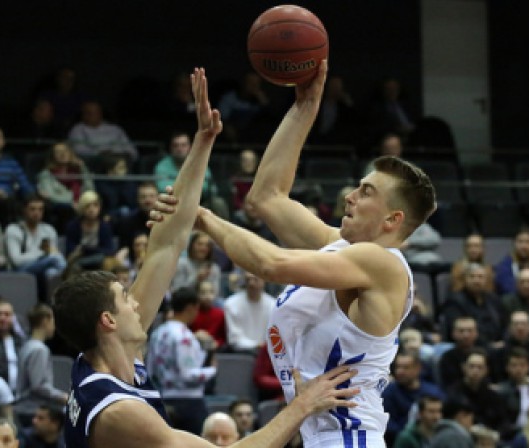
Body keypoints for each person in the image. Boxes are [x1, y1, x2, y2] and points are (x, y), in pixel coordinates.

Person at [53, 68, 359, 448]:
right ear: (108, 320)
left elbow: (166, 244)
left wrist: (203, 141)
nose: (138, 302)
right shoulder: (117, 410)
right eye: (125, 298)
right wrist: (302, 405)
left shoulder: (110, 361)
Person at [154, 60, 437, 448]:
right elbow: (266, 198)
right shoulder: (341, 248)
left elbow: (271, 264)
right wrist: (304, 107)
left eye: (366, 192)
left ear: (393, 218)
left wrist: (201, 216)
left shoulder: (382, 264)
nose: (350, 196)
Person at [146, 287, 216, 435]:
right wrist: (212, 370)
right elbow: (188, 375)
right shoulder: (184, 336)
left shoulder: (157, 333)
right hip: (188, 402)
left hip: (164, 399)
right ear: (191, 308)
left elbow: (150, 370)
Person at [14, 304, 67, 427]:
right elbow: (38, 386)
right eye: (53, 320)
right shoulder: (39, 349)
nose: (54, 326)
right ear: (45, 321)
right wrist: (63, 397)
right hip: (32, 411)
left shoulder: (26, 346)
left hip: (25, 409)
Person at [154, 131, 228, 219]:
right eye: (176, 145)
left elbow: (206, 186)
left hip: (199, 202)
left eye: (183, 145)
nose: (179, 148)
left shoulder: (199, 162)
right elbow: (162, 187)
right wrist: (191, 186)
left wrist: (181, 188)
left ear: (189, 147)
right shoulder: (162, 166)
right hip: (172, 204)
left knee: (218, 203)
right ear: (171, 148)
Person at [4, 195, 66, 295]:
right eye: (32, 209)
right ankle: (69, 277)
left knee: (52, 272)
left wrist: (46, 255)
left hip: (43, 268)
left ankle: (53, 303)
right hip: (20, 270)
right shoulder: (14, 229)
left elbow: (52, 253)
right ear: (24, 210)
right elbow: (16, 261)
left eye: (40, 209)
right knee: (56, 259)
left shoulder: (48, 230)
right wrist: (42, 253)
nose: (37, 213)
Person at [382, 351, 444, 444]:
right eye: (397, 367)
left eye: (405, 367)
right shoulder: (388, 393)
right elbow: (386, 424)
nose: (399, 371)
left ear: (418, 368)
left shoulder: (433, 392)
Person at [35, 141, 94, 232]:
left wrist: (83, 168)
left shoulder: (78, 171)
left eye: (65, 151)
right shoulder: (46, 174)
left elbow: (90, 189)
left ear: (71, 153)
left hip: (80, 205)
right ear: (52, 156)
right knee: (67, 209)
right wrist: (72, 203)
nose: (63, 154)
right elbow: (50, 196)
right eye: (58, 152)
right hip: (61, 208)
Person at [67, 100, 138, 162]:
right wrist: (100, 154)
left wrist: (116, 154)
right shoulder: (77, 129)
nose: (89, 115)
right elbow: (79, 151)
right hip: (94, 164)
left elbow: (132, 152)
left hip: (119, 162)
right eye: (88, 113)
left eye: (95, 112)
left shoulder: (115, 129)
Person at [223, 271, 275, 354]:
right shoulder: (231, 304)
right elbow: (234, 339)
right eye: (248, 280)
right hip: (240, 353)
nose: (251, 283)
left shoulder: (273, 305)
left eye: (255, 279)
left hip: (267, 353)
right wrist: (257, 345)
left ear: (264, 280)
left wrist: (264, 346)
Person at [64, 191, 116, 270]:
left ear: (99, 208)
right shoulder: (73, 226)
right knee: (73, 266)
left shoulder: (104, 226)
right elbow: (69, 251)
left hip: (98, 259)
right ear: (82, 208)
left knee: (108, 262)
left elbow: (109, 250)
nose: (91, 209)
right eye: (88, 206)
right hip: (79, 261)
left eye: (95, 205)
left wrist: (87, 249)